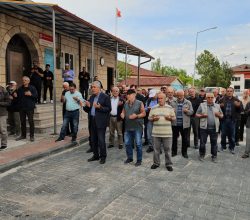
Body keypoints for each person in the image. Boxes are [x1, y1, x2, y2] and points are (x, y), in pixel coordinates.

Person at [84, 81, 111, 164]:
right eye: (92, 87)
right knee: (93, 140)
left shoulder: (105, 97)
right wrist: (86, 106)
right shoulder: (91, 97)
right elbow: (87, 110)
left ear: (99, 88)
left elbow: (108, 109)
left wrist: (100, 107)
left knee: (101, 140)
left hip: (101, 122)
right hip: (92, 120)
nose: (92, 89)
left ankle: (103, 156)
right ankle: (96, 155)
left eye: (94, 87)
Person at [149, 93, 175, 171]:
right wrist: (153, 119)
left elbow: (174, 118)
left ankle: (169, 164)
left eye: (161, 98)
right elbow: (149, 118)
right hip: (156, 133)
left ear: (165, 99)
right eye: (158, 98)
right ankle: (156, 163)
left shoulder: (170, 107)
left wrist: (169, 118)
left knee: (168, 150)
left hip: (167, 133)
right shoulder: (153, 108)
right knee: (156, 149)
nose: (160, 100)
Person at [121, 89, 146, 166]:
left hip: (137, 127)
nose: (128, 96)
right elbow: (123, 112)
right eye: (127, 94)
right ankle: (130, 158)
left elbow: (144, 113)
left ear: (134, 95)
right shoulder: (125, 103)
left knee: (138, 144)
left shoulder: (139, 103)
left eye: (129, 94)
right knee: (127, 143)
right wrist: (122, 114)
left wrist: (137, 116)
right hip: (128, 127)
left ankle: (139, 160)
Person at [196, 93, 223, 162]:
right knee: (202, 143)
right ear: (206, 98)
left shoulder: (217, 106)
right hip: (204, 128)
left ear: (214, 98)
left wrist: (219, 115)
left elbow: (222, 115)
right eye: (208, 97)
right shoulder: (202, 105)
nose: (210, 98)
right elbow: (196, 114)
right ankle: (202, 154)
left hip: (214, 128)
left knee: (214, 143)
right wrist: (202, 115)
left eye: (211, 97)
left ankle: (214, 156)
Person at [170, 90, 193, 158]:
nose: (179, 97)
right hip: (175, 124)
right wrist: (171, 111)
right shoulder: (172, 102)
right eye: (178, 95)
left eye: (181, 95)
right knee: (174, 138)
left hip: (185, 124)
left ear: (184, 95)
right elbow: (168, 112)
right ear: (176, 95)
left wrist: (187, 111)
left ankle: (184, 152)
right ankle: (174, 152)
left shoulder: (188, 102)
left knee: (185, 139)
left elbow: (192, 112)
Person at [219, 87, 241, 154]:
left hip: (232, 120)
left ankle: (232, 148)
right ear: (226, 92)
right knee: (223, 134)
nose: (229, 92)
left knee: (232, 135)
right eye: (228, 91)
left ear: (233, 92)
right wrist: (220, 106)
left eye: (230, 91)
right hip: (224, 120)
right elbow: (217, 108)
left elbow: (240, 110)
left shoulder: (236, 100)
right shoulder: (222, 99)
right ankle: (223, 146)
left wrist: (238, 106)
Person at [16, 76, 38, 142]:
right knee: (22, 122)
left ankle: (32, 136)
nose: (23, 81)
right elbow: (18, 98)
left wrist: (31, 95)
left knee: (31, 121)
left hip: (30, 107)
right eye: (23, 80)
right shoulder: (20, 88)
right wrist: (16, 97)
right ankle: (23, 135)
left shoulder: (32, 88)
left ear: (28, 81)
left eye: (25, 80)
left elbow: (36, 97)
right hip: (22, 108)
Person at [145, 89, 158, 153]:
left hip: (158, 119)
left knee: (158, 134)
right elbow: (145, 109)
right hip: (150, 119)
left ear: (156, 94)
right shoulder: (149, 100)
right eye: (151, 95)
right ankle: (151, 146)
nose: (152, 97)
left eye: (153, 95)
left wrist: (153, 108)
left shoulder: (159, 99)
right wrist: (147, 108)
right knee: (149, 133)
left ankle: (158, 148)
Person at [0, 84, 11, 150]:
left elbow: (8, 103)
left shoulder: (4, 91)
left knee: (3, 129)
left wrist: (0, 103)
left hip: (2, 113)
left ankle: (4, 144)